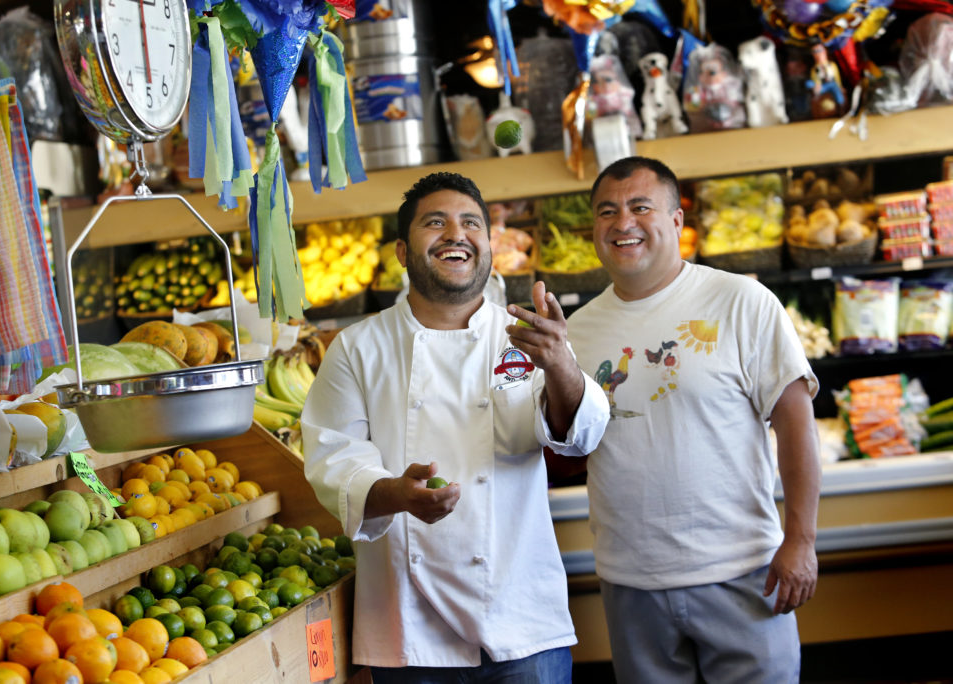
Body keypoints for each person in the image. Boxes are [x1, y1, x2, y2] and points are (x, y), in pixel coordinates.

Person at [301, 171, 610, 682]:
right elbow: (334, 462)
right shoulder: (357, 347)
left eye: (471, 223)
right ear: (402, 251)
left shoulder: (528, 337)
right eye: (435, 223)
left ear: (487, 246)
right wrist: (395, 493)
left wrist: (562, 367)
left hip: (521, 619)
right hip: (408, 627)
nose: (456, 234)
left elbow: (580, 435)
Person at [566, 156, 821, 682]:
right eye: (606, 211)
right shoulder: (575, 330)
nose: (623, 223)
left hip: (746, 573)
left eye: (641, 207)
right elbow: (567, 442)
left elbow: (796, 423)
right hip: (630, 582)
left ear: (678, 221)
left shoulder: (742, 301)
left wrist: (801, 540)